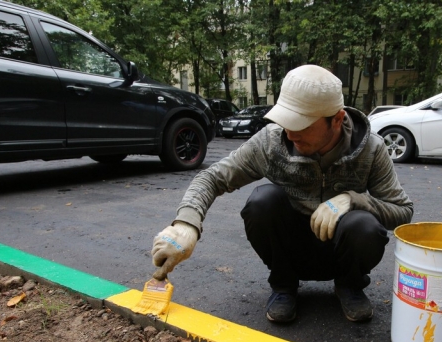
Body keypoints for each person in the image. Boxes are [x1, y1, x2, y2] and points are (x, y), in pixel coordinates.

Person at [151, 65, 414, 324]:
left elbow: (402, 211)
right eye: (286, 121)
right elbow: (213, 177)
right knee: (262, 201)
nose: (290, 132)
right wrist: (187, 224)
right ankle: (283, 286)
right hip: (289, 252)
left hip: (342, 253)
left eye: (301, 124)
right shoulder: (271, 141)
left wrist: (353, 199)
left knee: (363, 223)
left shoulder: (371, 148)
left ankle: (349, 286)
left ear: (337, 119)